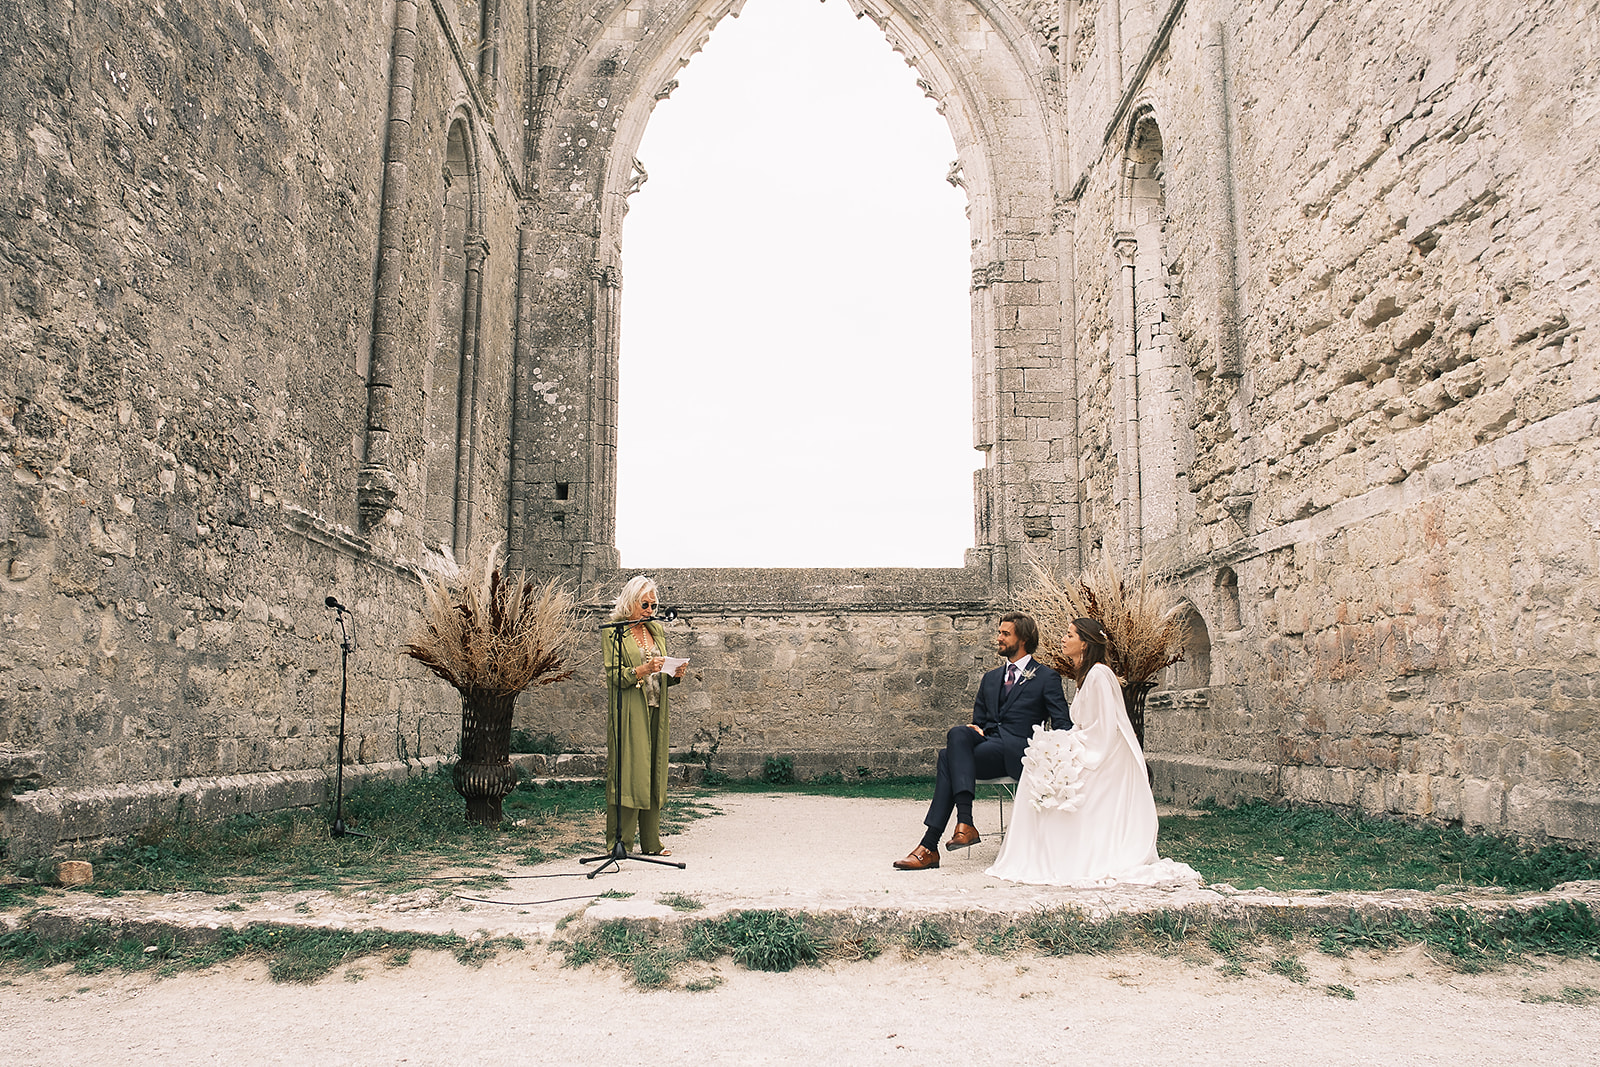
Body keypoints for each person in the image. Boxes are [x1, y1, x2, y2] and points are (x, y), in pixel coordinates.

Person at [985, 617, 1197, 886]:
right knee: (1036, 770)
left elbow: (1104, 729)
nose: (1064, 638)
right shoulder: (1087, 675)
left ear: (1084, 644)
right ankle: (1043, 853)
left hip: (1105, 758)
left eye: (1070, 635)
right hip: (1092, 747)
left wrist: (1066, 746)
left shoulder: (1098, 674)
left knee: (1040, 774)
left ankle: (1052, 855)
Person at [893, 613, 1071, 870]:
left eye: (1005, 634)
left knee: (946, 757)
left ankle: (932, 844)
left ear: (1023, 639)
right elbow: (982, 721)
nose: (998, 638)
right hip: (989, 747)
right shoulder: (990, 678)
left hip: (1019, 753)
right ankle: (960, 826)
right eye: (999, 632)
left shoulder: (1046, 677)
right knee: (958, 733)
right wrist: (978, 729)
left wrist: (1048, 756)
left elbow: (1062, 724)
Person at [602, 576, 688, 855]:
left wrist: (674, 674)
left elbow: (659, 672)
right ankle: (621, 842)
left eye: (654, 604)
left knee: (653, 771)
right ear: (629, 602)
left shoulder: (656, 630)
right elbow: (613, 676)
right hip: (630, 709)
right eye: (645, 603)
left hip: (655, 708)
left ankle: (651, 842)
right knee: (630, 773)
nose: (651, 609)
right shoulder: (614, 632)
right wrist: (643, 669)